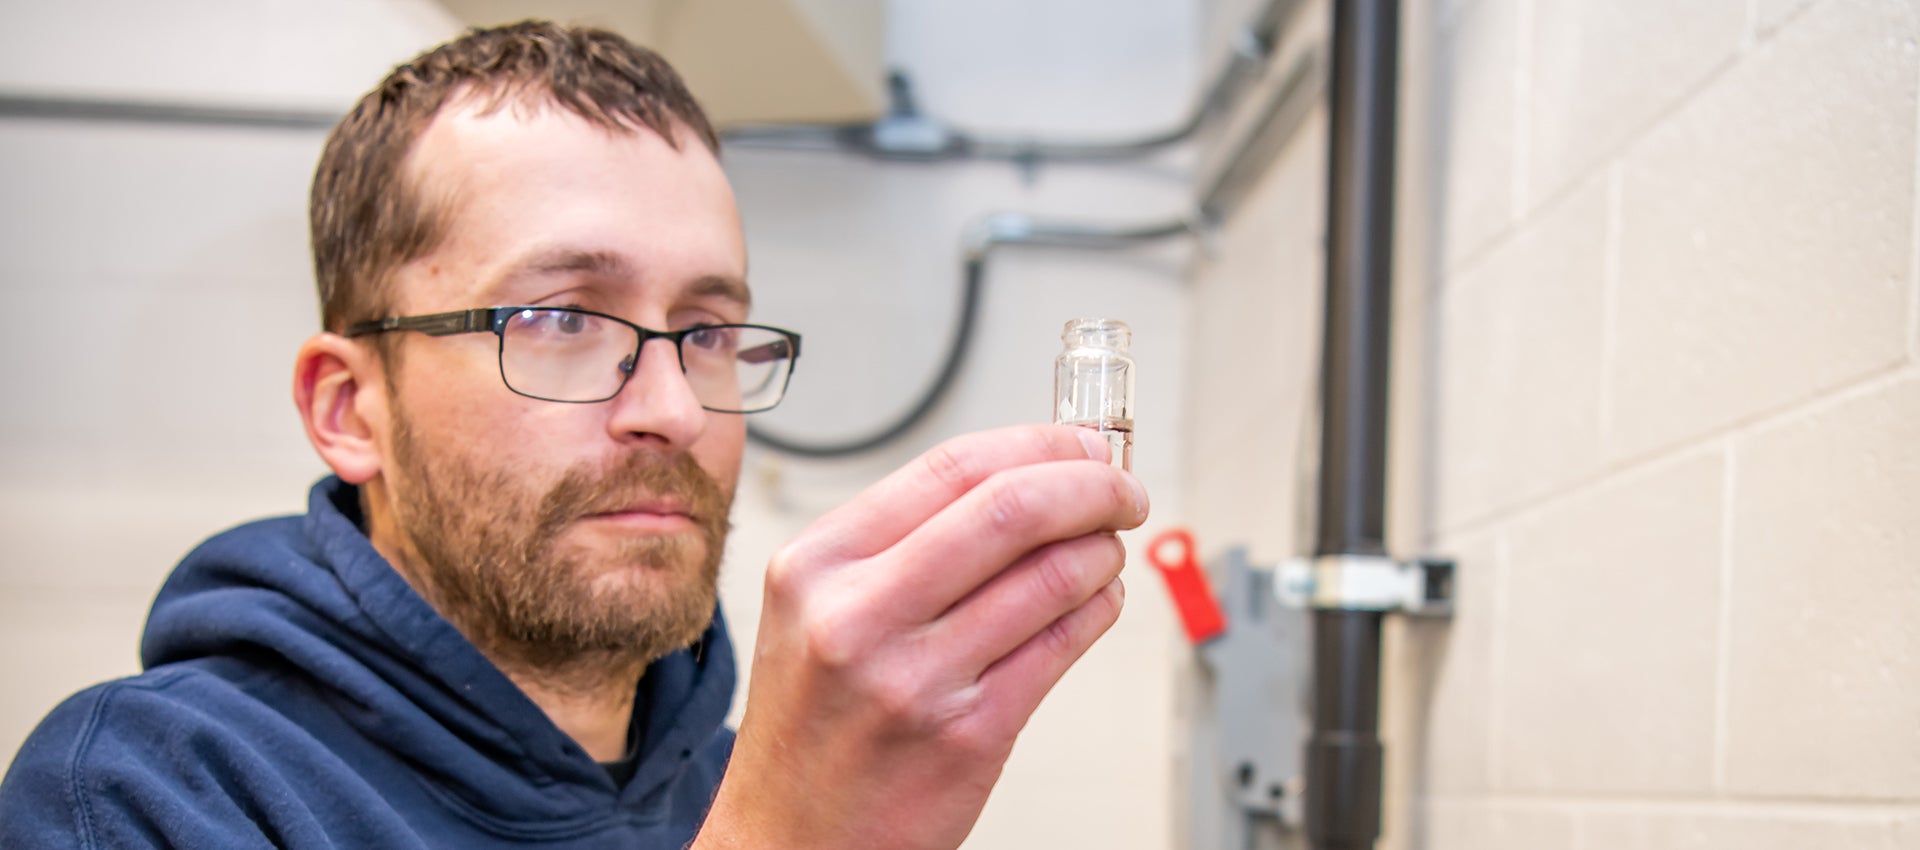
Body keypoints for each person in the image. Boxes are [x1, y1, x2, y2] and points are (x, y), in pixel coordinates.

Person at [0, 19, 1149, 850]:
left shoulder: (742, 780)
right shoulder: (145, 796)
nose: (674, 409)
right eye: (559, 320)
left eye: (708, 330)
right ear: (349, 408)